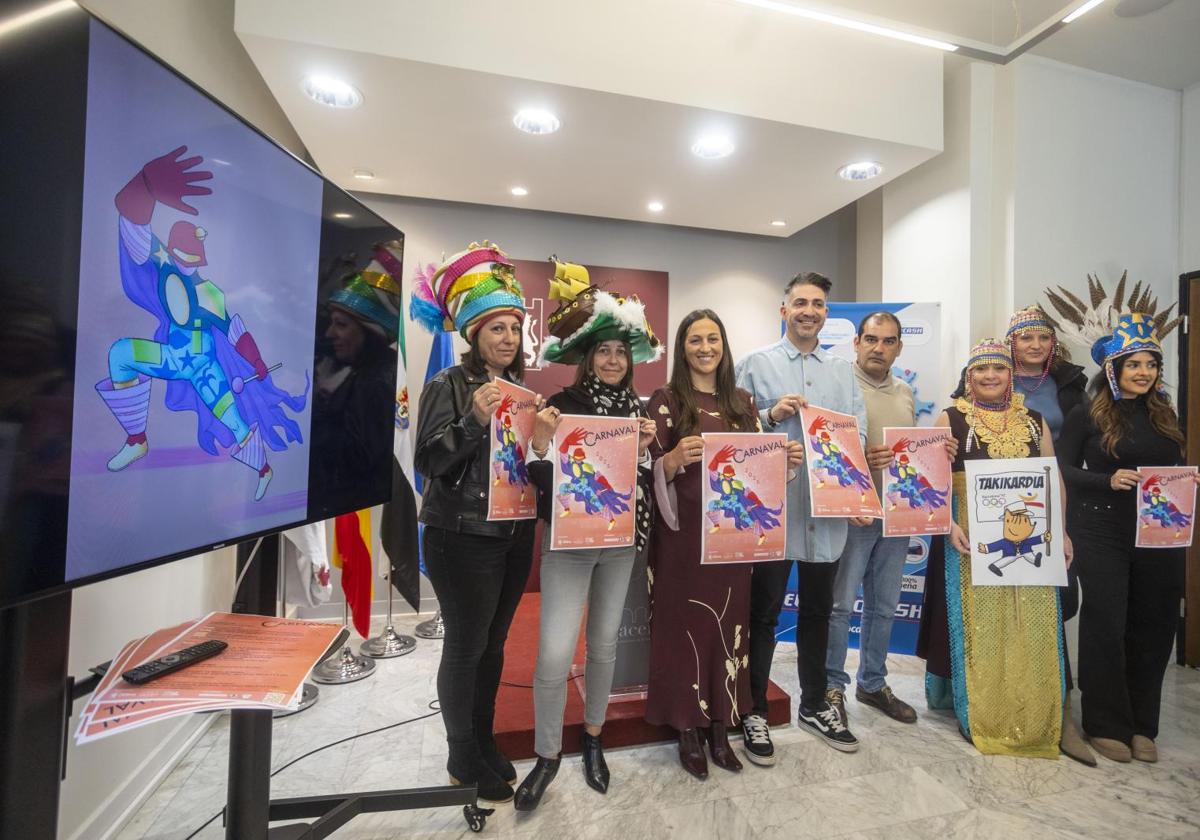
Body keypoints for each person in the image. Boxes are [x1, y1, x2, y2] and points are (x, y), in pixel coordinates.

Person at [512, 263, 661, 811]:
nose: (614, 360)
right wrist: (544, 446)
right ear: (587, 357)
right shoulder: (563, 408)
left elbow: (641, 486)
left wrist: (645, 450)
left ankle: (593, 736)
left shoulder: (638, 413)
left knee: (602, 647)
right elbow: (543, 490)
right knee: (553, 655)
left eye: (622, 352)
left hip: (620, 547)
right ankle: (547, 754)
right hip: (567, 548)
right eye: (604, 351)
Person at [645, 309, 803, 779]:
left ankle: (720, 723)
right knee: (684, 629)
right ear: (683, 347)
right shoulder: (665, 400)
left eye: (713, 338)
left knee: (727, 629)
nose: (705, 348)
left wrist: (785, 460)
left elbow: (757, 474)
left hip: (732, 543)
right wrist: (671, 458)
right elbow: (647, 471)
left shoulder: (742, 402)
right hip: (682, 542)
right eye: (695, 340)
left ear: (724, 346)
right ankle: (687, 727)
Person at [411, 241, 533, 803]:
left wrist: (547, 442)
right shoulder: (448, 386)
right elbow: (429, 461)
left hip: (511, 533)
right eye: (497, 328)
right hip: (460, 537)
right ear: (473, 333)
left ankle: (482, 741)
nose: (508, 338)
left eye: (514, 328)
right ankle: (462, 756)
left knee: (494, 645)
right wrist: (474, 420)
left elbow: (522, 468)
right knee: (465, 646)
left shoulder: (522, 394)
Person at [918, 339, 1073, 758]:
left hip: (1032, 535)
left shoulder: (1034, 420)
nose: (990, 376)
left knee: (1030, 619)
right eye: (981, 370)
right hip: (970, 535)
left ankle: (1033, 705)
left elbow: (1052, 477)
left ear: (1010, 374)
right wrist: (947, 523)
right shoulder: (949, 417)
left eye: (999, 369)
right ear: (969, 377)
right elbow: (930, 476)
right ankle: (982, 707)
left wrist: (1062, 532)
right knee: (979, 620)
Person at [734, 272, 866, 761]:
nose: (810, 310)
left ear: (826, 312)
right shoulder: (754, 365)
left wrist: (857, 498)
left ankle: (814, 704)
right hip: (773, 516)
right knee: (762, 615)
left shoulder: (841, 372)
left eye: (818, 303)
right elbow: (729, 431)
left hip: (825, 513)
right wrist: (770, 416)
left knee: (818, 612)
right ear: (783, 309)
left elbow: (854, 435)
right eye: (801, 302)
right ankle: (752, 709)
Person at [1055, 309, 1190, 764]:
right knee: (1106, 624)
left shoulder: (1164, 413)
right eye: (1134, 364)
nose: (1144, 373)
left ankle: (1141, 725)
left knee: (1153, 625)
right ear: (1113, 368)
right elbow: (1061, 470)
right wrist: (1106, 481)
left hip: (1159, 531)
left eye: (1151, 364)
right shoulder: (1086, 413)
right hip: (1101, 529)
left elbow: (1169, 465)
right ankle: (1105, 722)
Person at [823, 312, 957, 730]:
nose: (879, 348)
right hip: (854, 515)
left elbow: (908, 454)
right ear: (857, 343)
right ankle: (831, 687)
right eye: (871, 339)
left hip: (897, 516)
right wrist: (863, 461)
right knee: (840, 606)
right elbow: (827, 451)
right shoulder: (839, 386)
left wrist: (938, 453)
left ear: (899, 347)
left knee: (883, 607)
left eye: (888, 341)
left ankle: (873, 682)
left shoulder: (904, 392)